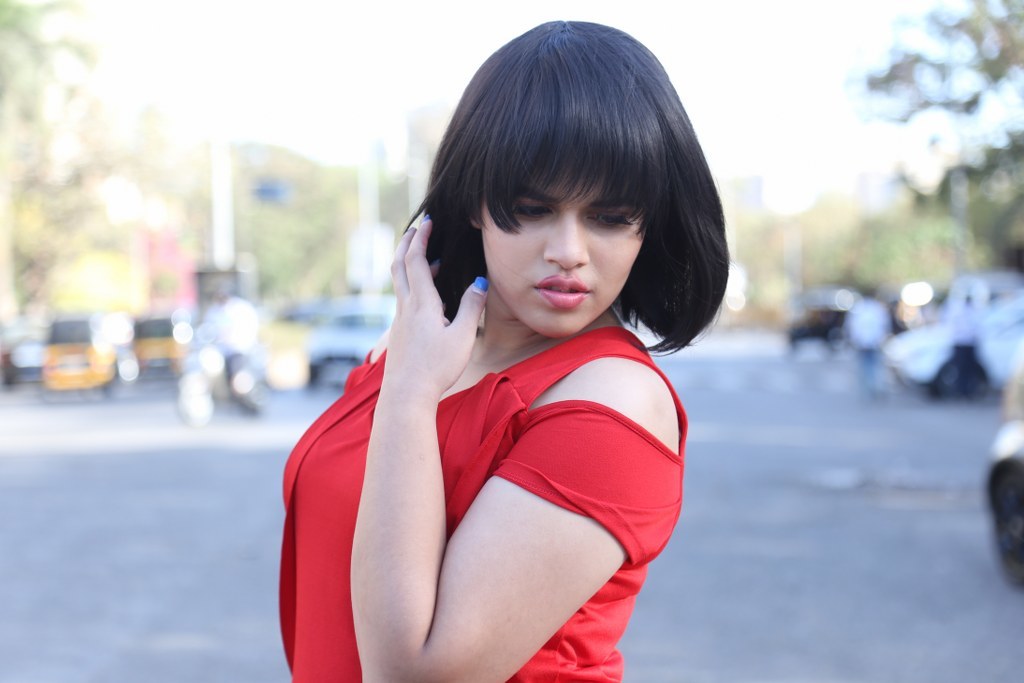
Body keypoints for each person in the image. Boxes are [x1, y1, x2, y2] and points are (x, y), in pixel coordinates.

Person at [279, 21, 729, 682]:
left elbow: (411, 674)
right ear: (474, 201)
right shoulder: (417, 348)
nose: (569, 251)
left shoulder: (614, 403)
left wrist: (410, 395)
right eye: (533, 208)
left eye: (609, 217)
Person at [843, 289, 892, 400]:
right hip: (874, 341)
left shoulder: (858, 309)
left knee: (866, 367)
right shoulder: (877, 308)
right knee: (875, 365)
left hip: (864, 342)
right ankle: (876, 387)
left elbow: (851, 326)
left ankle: (871, 388)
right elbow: (885, 325)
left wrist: (853, 339)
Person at [946, 294, 982, 399]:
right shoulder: (960, 312)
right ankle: (961, 391)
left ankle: (967, 391)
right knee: (961, 369)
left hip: (968, 344)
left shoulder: (972, 312)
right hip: (962, 343)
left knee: (968, 369)